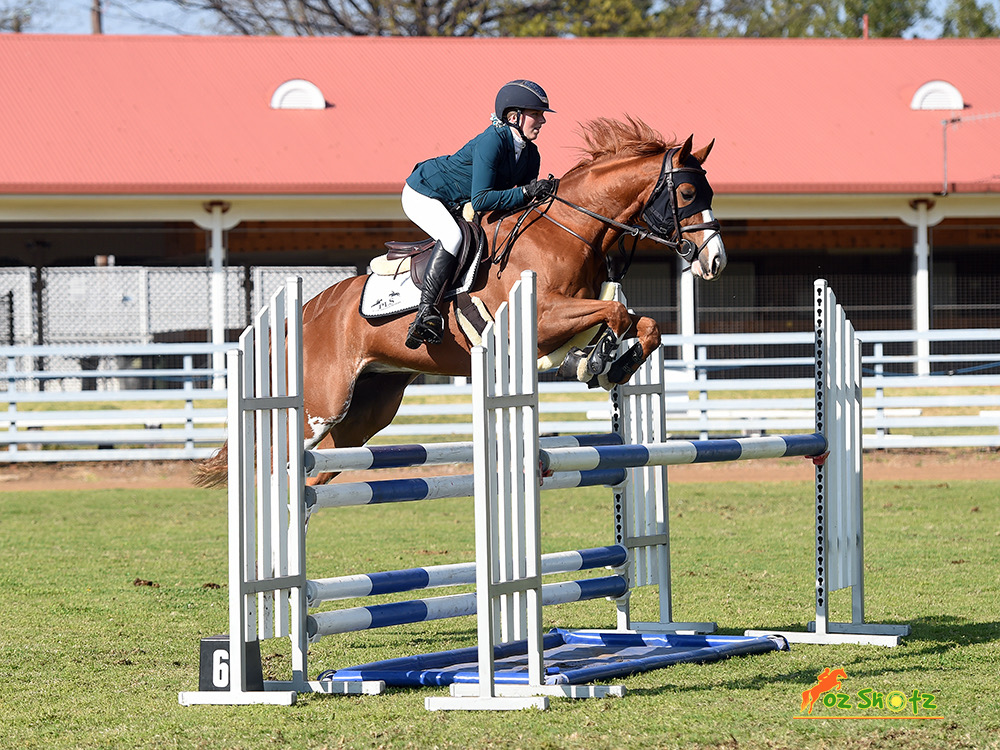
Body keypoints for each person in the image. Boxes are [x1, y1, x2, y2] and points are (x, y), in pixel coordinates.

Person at [402, 80, 557, 349]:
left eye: (542, 114)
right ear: (514, 117)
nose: (542, 120)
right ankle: (426, 313)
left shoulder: (531, 154)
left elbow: (519, 203)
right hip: (425, 193)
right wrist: (528, 191)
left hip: (458, 203)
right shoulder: (491, 141)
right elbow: (483, 199)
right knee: (452, 237)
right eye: (536, 114)